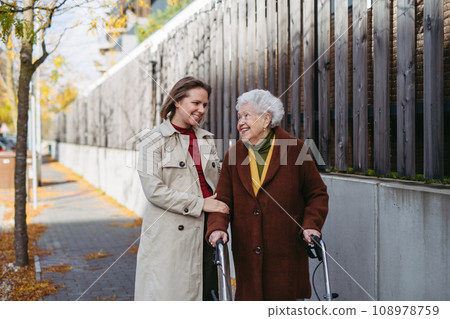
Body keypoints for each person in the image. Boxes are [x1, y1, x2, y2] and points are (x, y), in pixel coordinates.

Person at [206, 89, 329, 301]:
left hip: (287, 255)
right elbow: (223, 200)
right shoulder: (233, 155)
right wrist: (217, 228)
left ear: (266, 119)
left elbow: (317, 194)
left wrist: (311, 224)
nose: (241, 122)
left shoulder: (295, 149)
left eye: (247, 115)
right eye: (239, 117)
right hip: (247, 257)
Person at [135, 76, 229, 301]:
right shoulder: (153, 140)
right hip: (171, 238)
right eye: (196, 103)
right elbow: (154, 190)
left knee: (209, 295)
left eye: (205, 105)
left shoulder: (206, 140)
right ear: (177, 101)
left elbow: (218, 180)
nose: (202, 109)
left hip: (209, 230)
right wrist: (201, 203)